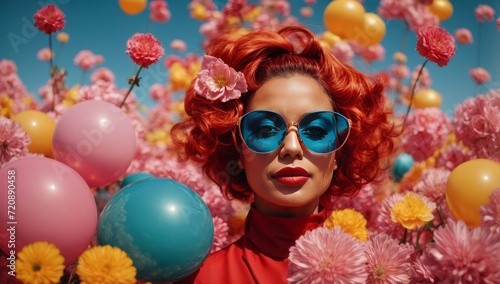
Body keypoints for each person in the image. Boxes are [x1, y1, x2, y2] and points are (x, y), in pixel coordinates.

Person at [171, 25, 398, 283]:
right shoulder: (200, 279)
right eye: (266, 128)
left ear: (339, 153)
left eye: (315, 130)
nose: (291, 147)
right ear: (237, 150)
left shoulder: (376, 275)